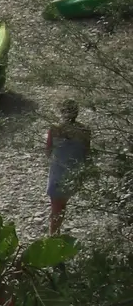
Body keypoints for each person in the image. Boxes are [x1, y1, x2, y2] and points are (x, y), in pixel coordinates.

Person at [47, 100, 92, 234]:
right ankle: (55, 234)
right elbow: (87, 154)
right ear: (76, 113)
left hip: (57, 173)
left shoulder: (55, 129)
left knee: (56, 208)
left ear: (62, 112)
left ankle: (53, 236)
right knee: (61, 206)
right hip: (74, 173)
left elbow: (48, 151)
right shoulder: (85, 130)